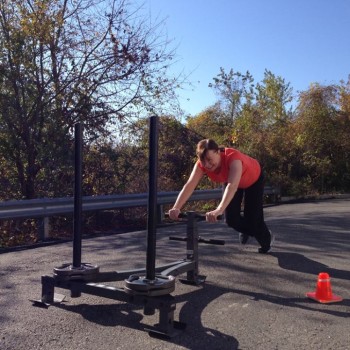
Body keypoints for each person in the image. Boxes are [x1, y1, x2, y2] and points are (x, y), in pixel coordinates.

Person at [168, 139, 274, 253]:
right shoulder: (201, 164)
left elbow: (232, 186)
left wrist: (219, 209)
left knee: (253, 221)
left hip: (254, 180)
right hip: (230, 181)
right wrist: (176, 207)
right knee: (231, 220)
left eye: (209, 160)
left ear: (218, 152)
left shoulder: (233, 157)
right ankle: (247, 229)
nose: (207, 165)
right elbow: (189, 185)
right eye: (203, 161)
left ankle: (266, 241)